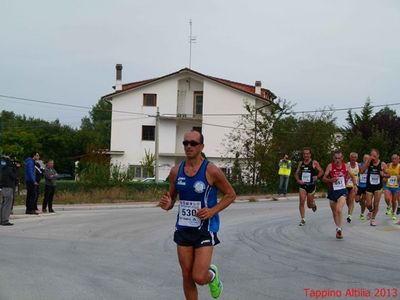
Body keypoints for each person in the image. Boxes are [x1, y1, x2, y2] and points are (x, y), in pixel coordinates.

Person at [159, 130, 236, 300]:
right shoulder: (175, 171)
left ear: (201, 146)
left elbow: (231, 194)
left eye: (193, 143)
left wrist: (212, 211)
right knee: (186, 275)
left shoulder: (211, 171)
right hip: (183, 229)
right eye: (185, 143)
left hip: (204, 229)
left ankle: (213, 276)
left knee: (199, 277)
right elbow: (171, 200)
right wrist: (167, 205)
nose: (188, 146)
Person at [323, 150, 357, 239]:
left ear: (342, 158)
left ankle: (339, 229)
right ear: (333, 158)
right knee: (334, 212)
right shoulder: (330, 166)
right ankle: (338, 228)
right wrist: (331, 180)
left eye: (339, 158)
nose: (337, 160)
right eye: (336, 158)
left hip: (342, 190)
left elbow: (352, 176)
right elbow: (324, 178)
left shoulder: (346, 166)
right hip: (332, 191)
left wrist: (355, 185)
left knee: (339, 209)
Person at [294, 147, 324, 226]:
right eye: (304, 154)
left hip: (311, 186)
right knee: (301, 201)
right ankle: (303, 219)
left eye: (307, 154)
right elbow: (296, 173)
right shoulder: (301, 163)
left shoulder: (314, 162)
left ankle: (313, 204)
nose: (306, 155)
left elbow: (321, 171)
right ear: (303, 155)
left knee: (309, 205)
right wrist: (298, 180)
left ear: (310, 154)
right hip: (303, 185)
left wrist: (317, 176)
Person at [360, 149, 387, 226]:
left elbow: (388, 175)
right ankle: (371, 211)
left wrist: (384, 175)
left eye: (374, 156)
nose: (373, 157)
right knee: (368, 204)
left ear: (378, 156)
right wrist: (368, 162)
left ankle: (373, 219)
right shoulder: (369, 163)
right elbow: (361, 172)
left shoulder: (382, 164)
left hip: (378, 187)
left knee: (376, 203)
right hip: (369, 186)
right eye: (371, 155)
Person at [0, 156, 17, 226]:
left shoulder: (3, 169)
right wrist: (16, 169)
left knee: (3, 204)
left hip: (3, 188)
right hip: (8, 188)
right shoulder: (9, 169)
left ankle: (1, 219)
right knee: (7, 205)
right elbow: (14, 176)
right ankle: (5, 220)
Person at [382, 153, 400, 222]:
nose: (394, 160)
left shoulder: (399, 166)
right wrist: (384, 175)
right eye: (392, 159)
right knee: (386, 198)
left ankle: (393, 213)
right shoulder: (389, 165)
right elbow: (384, 172)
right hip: (388, 186)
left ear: (398, 159)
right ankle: (389, 206)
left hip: (396, 187)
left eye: (395, 159)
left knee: (394, 201)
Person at [345, 152, 359, 223]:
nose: (353, 158)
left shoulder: (358, 165)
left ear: (356, 158)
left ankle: (349, 215)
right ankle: (350, 210)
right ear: (350, 158)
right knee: (347, 201)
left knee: (351, 200)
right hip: (346, 185)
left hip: (354, 185)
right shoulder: (346, 165)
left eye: (355, 157)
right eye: (352, 157)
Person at [356, 154, 370, 221]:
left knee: (363, 200)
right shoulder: (359, 164)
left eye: (367, 158)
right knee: (357, 200)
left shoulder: (370, 166)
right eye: (364, 158)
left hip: (366, 186)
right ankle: (365, 209)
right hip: (359, 186)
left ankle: (362, 214)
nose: (365, 159)